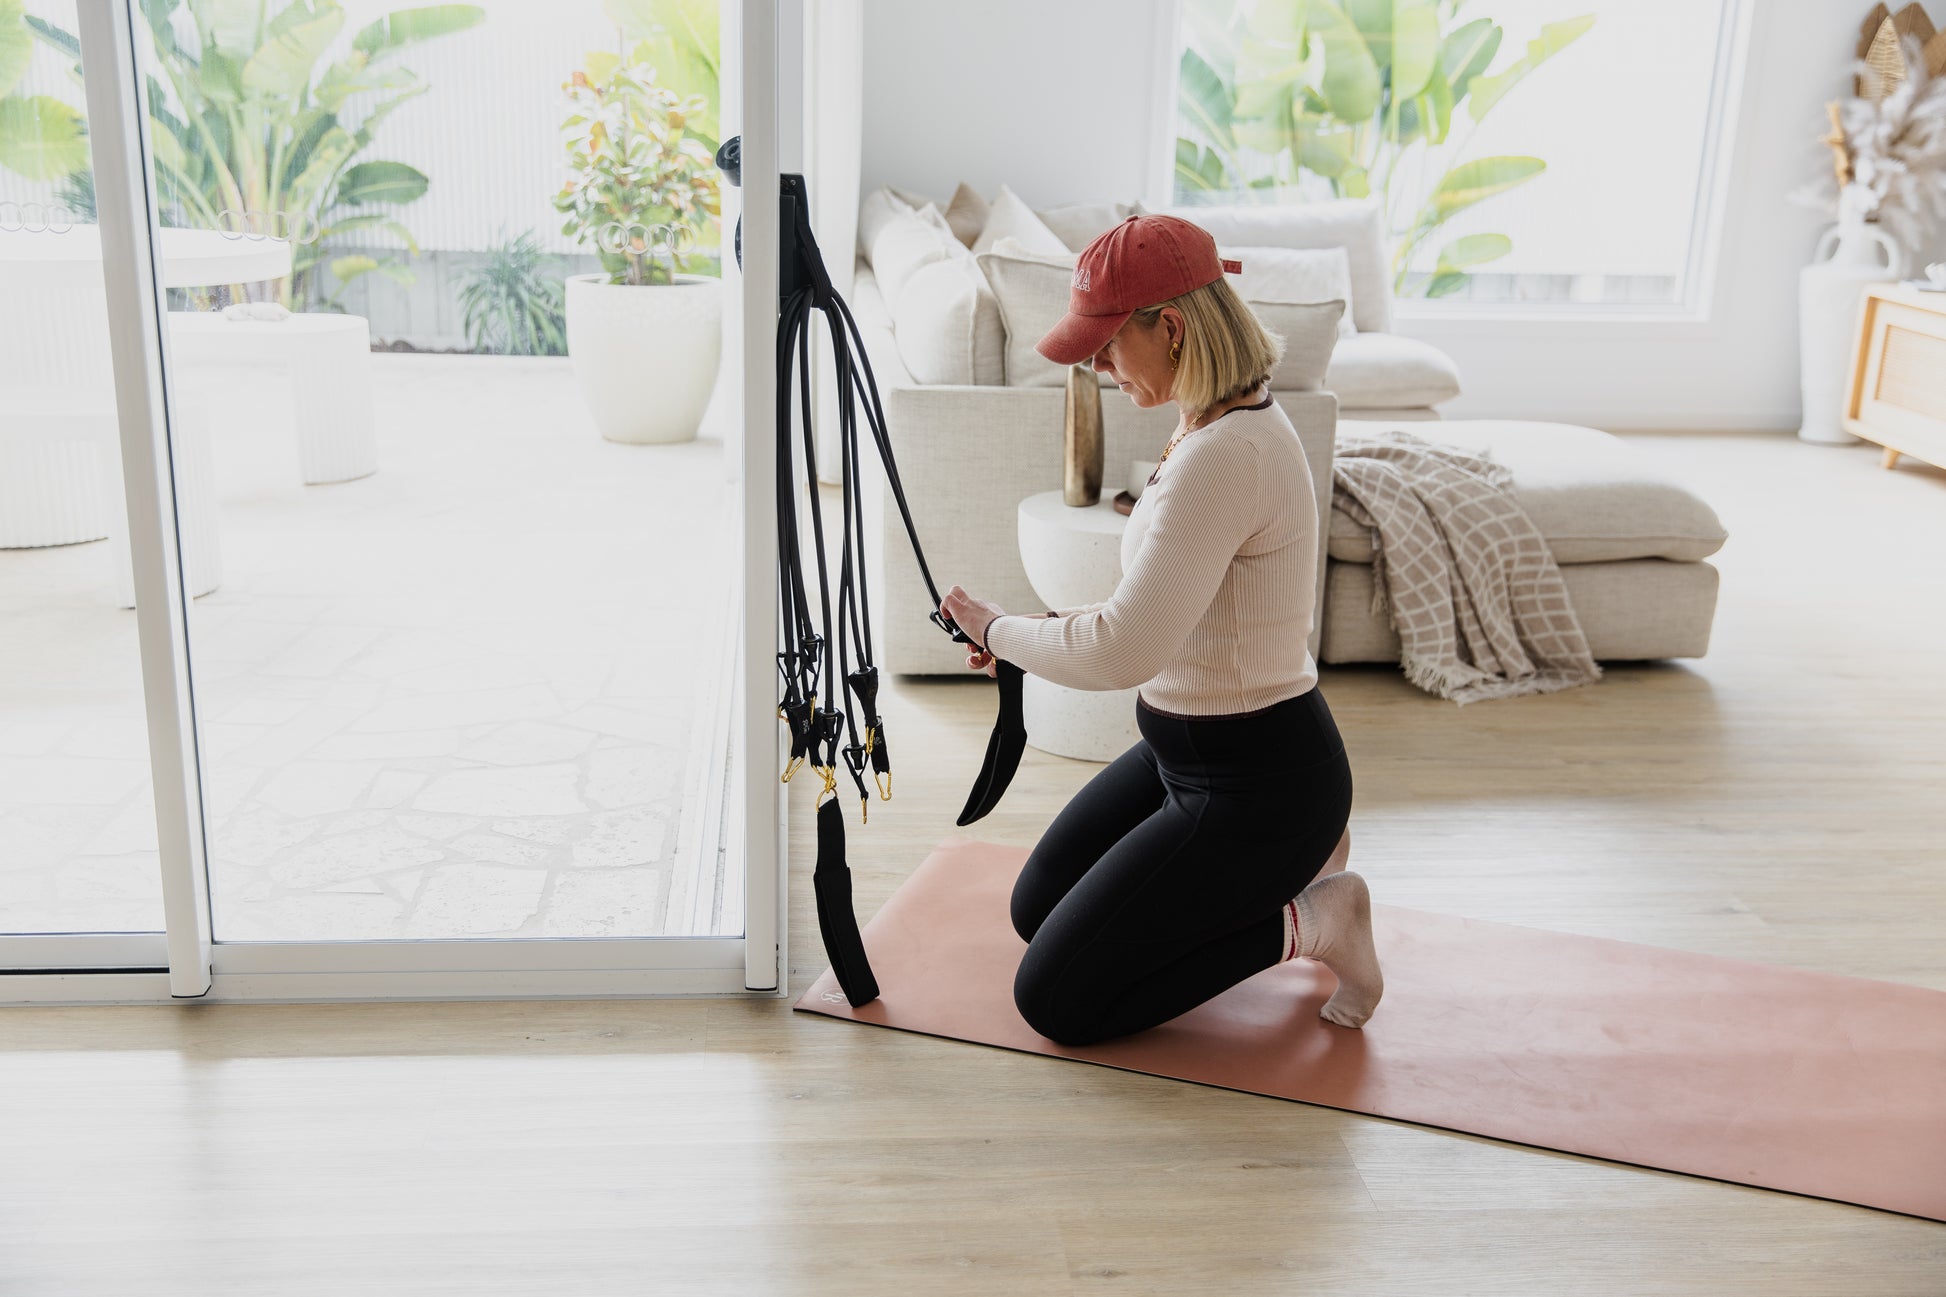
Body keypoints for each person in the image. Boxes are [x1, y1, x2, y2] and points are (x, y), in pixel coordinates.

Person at [938, 213, 1382, 1048]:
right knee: (1036, 910)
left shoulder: (1226, 455)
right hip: (1185, 756)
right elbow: (1160, 607)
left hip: (1260, 788)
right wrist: (1036, 628)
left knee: (1058, 1001)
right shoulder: (1212, 420)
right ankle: (1287, 871)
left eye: (1108, 345)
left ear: (1171, 327)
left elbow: (1122, 651)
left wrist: (1002, 635)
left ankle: (1320, 918)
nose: (1099, 368)